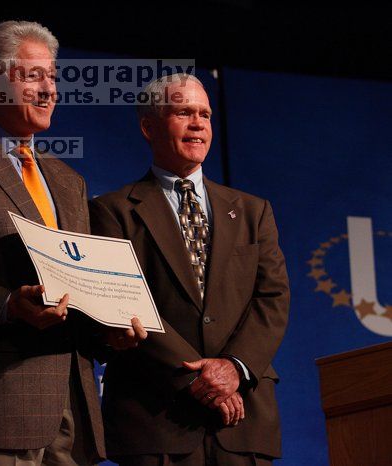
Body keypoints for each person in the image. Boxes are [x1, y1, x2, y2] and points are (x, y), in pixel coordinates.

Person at [0, 20, 145, 466]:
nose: (48, 90)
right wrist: (6, 305)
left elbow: (80, 281)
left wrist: (109, 328)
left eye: (53, 77)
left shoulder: (68, 180)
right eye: (32, 76)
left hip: (71, 412)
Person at [89, 74, 290, 466]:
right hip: (156, 417)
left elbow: (273, 297)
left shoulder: (252, 211)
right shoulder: (111, 211)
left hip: (242, 421)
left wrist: (235, 367)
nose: (198, 123)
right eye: (184, 112)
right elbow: (125, 302)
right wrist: (200, 379)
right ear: (149, 127)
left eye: (205, 114)